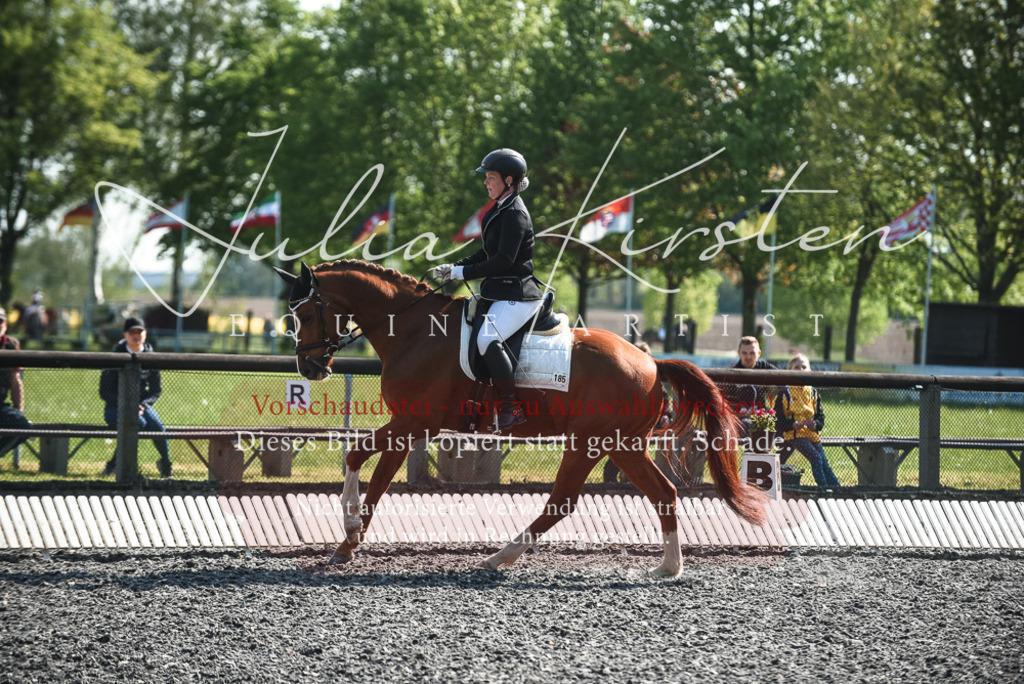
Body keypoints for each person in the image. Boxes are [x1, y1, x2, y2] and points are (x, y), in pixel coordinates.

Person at [432, 148, 543, 432]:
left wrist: (463, 272)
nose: (485, 182)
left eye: (490, 177)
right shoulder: (498, 209)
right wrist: (454, 266)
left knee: (486, 340)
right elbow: (486, 253)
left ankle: (511, 406)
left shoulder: (515, 214)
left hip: (519, 295)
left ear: (508, 180)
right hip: (499, 292)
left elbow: (504, 260)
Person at [99, 317, 172, 477]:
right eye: (132, 332)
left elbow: (155, 391)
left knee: (158, 427)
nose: (136, 335)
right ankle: (120, 467)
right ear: (125, 335)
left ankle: (166, 465)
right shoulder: (114, 356)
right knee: (137, 423)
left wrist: (143, 405)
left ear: (145, 334)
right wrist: (126, 405)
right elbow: (104, 392)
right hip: (114, 408)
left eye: (139, 332)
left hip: (142, 407)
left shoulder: (152, 358)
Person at [774, 353, 840, 487]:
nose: (801, 370)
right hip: (794, 434)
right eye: (796, 367)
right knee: (815, 458)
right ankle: (823, 488)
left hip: (811, 434)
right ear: (790, 371)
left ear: (810, 371)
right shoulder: (785, 393)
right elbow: (777, 419)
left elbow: (820, 417)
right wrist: (792, 425)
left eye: (804, 367)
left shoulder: (813, 392)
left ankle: (837, 488)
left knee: (824, 463)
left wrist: (816, 425)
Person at [724, 336, 778, 433]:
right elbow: (727, 406)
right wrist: (741, 413)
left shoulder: (767, 369)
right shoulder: (732, 375)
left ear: (759, 353)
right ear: (738, 354)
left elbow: (782, 388)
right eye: (744, 353)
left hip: (764, 417)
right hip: (740, 419)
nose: (748, 357)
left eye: (752, 353)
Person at [0, 308, 32, 461]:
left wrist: (19, 411)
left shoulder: (11, 345)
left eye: (0, 322)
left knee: (23, 427)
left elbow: (16, 381)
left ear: (5, 324)